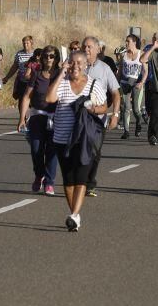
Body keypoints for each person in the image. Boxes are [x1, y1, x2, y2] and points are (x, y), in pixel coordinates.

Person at [45, 51, 108, 231]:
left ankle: (73, 215)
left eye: (79, 63)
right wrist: (60, 74)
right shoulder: (62, 83)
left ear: (86, 65)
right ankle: (75, 214)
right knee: (68, 180)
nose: (75, 66)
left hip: (84, 140)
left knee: (80, 178)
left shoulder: (94, 85)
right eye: (72, 63)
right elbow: (49, 98)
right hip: (62, 139)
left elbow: (104, 106)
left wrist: (93, 109)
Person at [17, 46, 61, 196]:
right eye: (46, 56)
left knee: (52, 151)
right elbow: (26, 96)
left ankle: (49, 182)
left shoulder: (61, 75)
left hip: (55, 118)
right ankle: (39, 174)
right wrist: (22, 118)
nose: (48, 59)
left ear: (56, 58)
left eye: (52, 56)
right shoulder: (36, 74)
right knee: (36, 149)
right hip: (37, 116)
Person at [81, 36, 121, 197]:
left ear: (98, 50)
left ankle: (89, 183)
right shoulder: (77, 67)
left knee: (94, 152)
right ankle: (79, 180)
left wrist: (115, 115)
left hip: (98, 118)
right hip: (79, 117)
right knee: (78, 150)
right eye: (84, 46)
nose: (86, 49)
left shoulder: (105, 68)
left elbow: (116, 94)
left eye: (90, 47)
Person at [117, 34, 147, 139]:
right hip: (124, 83)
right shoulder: (123, 55)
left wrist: (141, 82)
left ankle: (139, 123)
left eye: (128, 41)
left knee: (136, 109)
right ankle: (126, 131)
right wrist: (116, 85)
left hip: (136, 83)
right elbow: (120, 71)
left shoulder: (141, 54)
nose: (126, 43)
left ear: (134, 42)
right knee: (126, 108)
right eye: (126, 41)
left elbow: (145, 71)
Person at [1, 35, 34, 103]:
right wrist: (7, 77)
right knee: (21, 100)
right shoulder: (19, 54)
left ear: (31, 43)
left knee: (32, 101)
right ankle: (23, 114)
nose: (25, 45)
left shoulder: (35, 54)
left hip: (32, 80)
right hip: (21, 80)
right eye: (24, 43)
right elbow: (15, 67)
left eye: (27, 43)